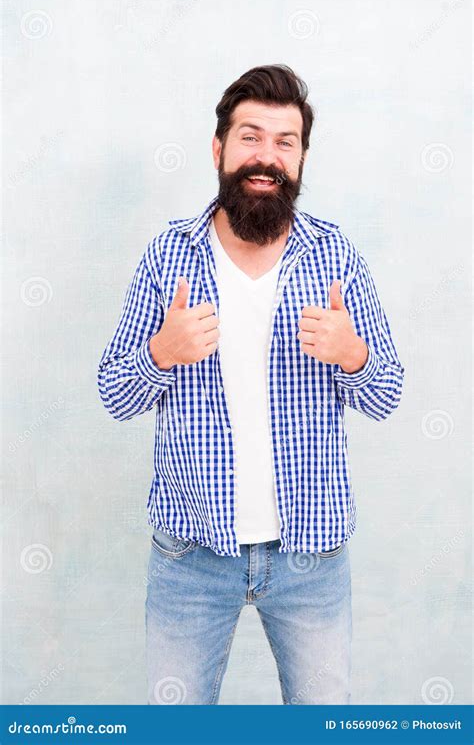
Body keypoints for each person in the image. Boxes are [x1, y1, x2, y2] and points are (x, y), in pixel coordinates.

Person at [97, 64, 405, 705]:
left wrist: (353, 356)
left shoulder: (335, 257)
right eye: (250, 136)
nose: (266, 156)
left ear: (300, 158)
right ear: (219, 149)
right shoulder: (168, 257)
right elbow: (114, 393)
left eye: (284, 142)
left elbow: (387, 395)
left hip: (311, 557)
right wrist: (161, 353)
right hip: (191, 555)